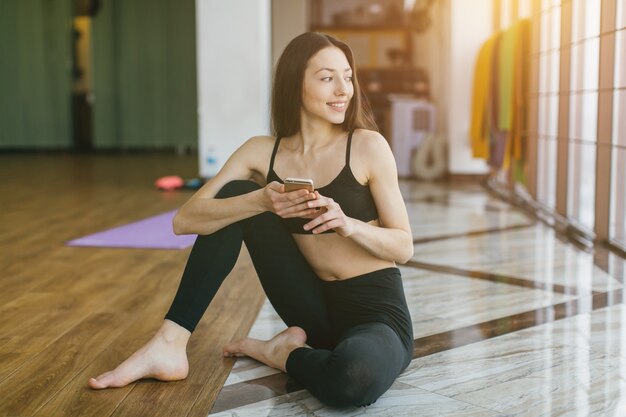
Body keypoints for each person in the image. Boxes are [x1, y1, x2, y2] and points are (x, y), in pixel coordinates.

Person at [88, 32, 414, 408]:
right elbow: (185, 219)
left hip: (374, 314)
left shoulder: (367, 146)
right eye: (327, 78)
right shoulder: (261, 151)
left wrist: (348, 224)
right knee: (234, 197)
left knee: (353, 381)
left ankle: (282, 353)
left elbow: (403, 246)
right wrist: (261, 199)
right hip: (308, 307)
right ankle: (169, 343)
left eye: (347, 76)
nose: (343, 89)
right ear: (295, 84)